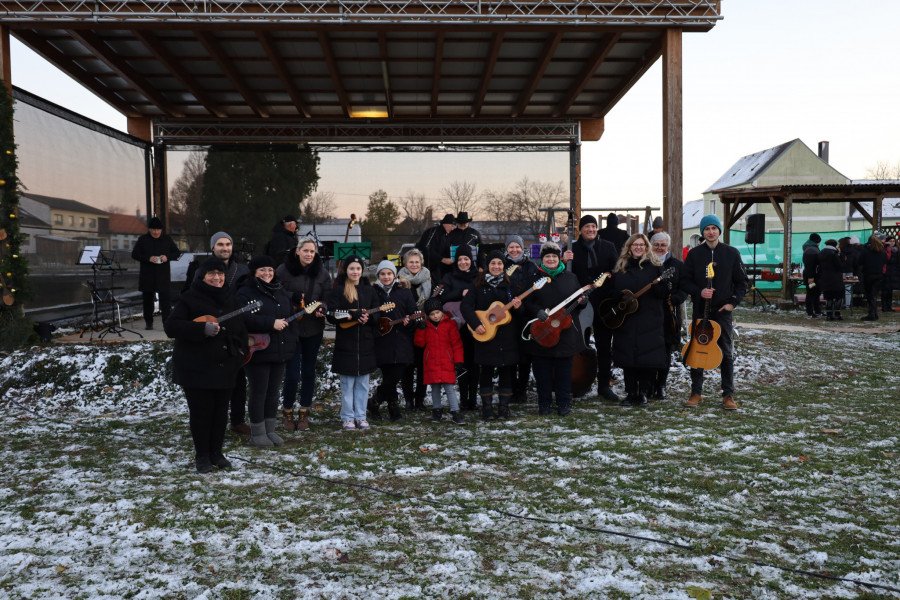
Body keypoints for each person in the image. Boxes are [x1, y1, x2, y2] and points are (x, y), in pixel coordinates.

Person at [164, 258, 248, 473]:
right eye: (212, 274)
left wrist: (240, 354)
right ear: (202, 277)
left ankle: (216, 453)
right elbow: (171, 326)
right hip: (196, 368)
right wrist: (200, 330)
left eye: (220, 273)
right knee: (201, 413)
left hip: (225, 366)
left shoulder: (231, 299)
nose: (217, 278)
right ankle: (202, 456)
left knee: (220, 413)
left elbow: (240, 329)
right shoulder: (189, 298)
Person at [680, 214, 747, 411]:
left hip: (722, 311)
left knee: (725, 351)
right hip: (701, 310)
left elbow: (742, 282)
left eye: (714, 228)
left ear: (719, 231)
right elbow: (684, 281)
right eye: (707, 229)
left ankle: (728, 395)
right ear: (703, 232)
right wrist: (698, 291)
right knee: (697, 349)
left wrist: (732, 303)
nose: (711, 232)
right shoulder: (694, 255)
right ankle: (696, 392)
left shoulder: (731, 253)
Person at [236, 255, 298, 447]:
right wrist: (270, 323)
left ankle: (270, 430)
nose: (267, 273)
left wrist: (290, 341)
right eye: (262, 270)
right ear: (254, 272)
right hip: (258, 350)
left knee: (273, 392)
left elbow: (289, 318)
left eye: (270, 270)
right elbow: (243, 318)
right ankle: (257, 433)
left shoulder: (280, 290)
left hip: (279, 349)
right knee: (259, 392)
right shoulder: (245, 292)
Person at [524, 242, 590, 416]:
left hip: (565, 332)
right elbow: (527, 302)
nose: (551, 259)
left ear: (559, 258)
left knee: (564, 371)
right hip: (542, 332)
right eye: (547, 256)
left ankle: (563, 403)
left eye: (554, 256)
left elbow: (578, 303)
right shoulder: (534, 278)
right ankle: (544, 403)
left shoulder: (571, 278)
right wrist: (537, 311)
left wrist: (583, 302)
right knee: (542, 371)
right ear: (542, 259)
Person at [276, 237, 331, 432]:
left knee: (309, 372)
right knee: (292, 374)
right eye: (305, 250)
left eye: (312, 251)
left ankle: (304, 412)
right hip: (291, 329)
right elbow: (275, 294)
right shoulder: (283, 270)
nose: (309, 254)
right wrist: (291, 300)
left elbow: (328, 298)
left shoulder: (323, 273)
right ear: (297, 251)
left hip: (313, 329)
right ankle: (287, 410)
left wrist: (323, 308)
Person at [563, 214, 619, 402]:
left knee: (604, 347)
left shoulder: (608, 247)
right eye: (587, 226)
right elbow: (562, 274)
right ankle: (581, 383)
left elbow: (616, 270)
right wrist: (563, 260)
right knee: (580, 345)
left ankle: (604, 386)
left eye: (593, 226)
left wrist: (611, 276)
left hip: (603, 304)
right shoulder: (571, 249)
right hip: (580, 305)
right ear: (580, 230)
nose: (591, 230)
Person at [461, 250, 523, 420]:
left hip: (507, 337)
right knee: (486, 371)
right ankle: (487, 408)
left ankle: (504, 408)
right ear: (488, 266)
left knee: (506, 371)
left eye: (499, 263)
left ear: (504, 266)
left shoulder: (511, 285)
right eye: (493, 263)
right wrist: (476, 324)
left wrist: (519, 307)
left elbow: (521, 312)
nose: (496, 266)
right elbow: (466, 307)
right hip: (485, 335)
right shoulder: (478, 285)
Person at [609, 234, 668, 407]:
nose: (638, 247)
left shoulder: (655, 267)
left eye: (642, 245)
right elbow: (613, 292)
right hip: (627, 319)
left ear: (646, 247)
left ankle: (643, 393)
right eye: (635, 244)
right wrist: (619, 298)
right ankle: (631, 393)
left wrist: (660, 287)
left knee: (646, 358)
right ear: (629, 247)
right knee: (628, 358)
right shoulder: (621, 267)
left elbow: (664, 293)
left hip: (649, 318)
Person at [326, 255, 379, 431]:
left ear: (362, 270)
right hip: (346, 344)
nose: (355, 272)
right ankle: (348, 417)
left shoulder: (369, 290)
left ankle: (361, 416)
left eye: (358, 268)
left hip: (365, 343)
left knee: (363, 384)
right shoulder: (338, 290)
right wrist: (351, 315)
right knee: (347, 384)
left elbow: (377, 314)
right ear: (346, 270)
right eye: (352, 268)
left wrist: (369, 319)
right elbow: (332, 315)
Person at [370, 259, 417, 422]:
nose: (386, 277)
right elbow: (370, 315)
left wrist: (410, 321)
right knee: (388, 374)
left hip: (401, 339)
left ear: (394, 275)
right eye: (382, 274)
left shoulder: (404, 292)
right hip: (382, 340)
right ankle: (393, 409)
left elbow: (413, 312)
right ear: (378, 275)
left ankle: (374, 401)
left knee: (396, 375)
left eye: (389, 273)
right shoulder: (373, 292)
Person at [440, 244, 479, 409]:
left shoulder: (479, 277)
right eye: (460, 259)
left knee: (475, 363)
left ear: (471, 260)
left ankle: (473, 398)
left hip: (476, 325)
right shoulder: (449, 277)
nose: (463, 262)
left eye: (466, 259)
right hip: (457, 328)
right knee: (461, 362)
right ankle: (463, 398)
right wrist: (459, 293)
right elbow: (440, 298)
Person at [414, 297, 465, 424]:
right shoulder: (426, 326)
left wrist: (458, 360)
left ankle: (455, 412)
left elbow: (457, 344)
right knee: (435, 388)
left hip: (447, 362)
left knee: (449, 388)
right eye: (432, 314)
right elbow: (419, 343)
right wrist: (420, 330)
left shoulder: (450, 324)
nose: (435, 316)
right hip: (431, 362)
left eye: (437, 312)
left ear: (442, 311)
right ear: (428, 315)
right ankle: (437, 411)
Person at [649, 231, 687, 399]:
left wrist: (677, 298)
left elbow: (684, 287)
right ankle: (649, 384)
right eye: (656, 245)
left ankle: (661, 385)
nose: (659, 248)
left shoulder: (678, 265)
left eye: (663, 245)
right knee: (650, 349)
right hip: (649, 312)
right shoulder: (646, 263)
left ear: (668, 246)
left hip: (669, 313)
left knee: (665, 350)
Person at [504, 234, 540, 403]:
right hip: (507, 317)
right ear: (506, 249)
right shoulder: (502, 265)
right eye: (511, 247)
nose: (514, 250)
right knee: (510, 354)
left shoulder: (531, 266)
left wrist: (524, 306)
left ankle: (522, 390)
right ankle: (511, 389)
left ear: (522, 248)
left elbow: (535, 290)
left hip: (526, 315)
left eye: (517, 247)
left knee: (525, 355)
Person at [396, 248, 432, 411]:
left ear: (422, 263)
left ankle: (420, 400)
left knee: (423, 366)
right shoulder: (400, 282)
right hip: (406, 329)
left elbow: (433, 303)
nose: (414, 264)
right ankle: (409, 400)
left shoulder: (428, 278)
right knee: (408, 366)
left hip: (424, 328)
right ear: (405, 264)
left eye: (417, 262)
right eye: (411, 262)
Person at [131, 216, 181, 330]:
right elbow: (134, 254)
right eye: (153, 229)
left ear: (161, 230)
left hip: (162, 275)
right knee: (147, 300)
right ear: (149, 229)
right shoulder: (143, 239)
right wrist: (148, 258)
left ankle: (167, 323)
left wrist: (167, 257)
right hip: (147, 275)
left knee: (165, 301)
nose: (156, 232)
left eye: (158, 230)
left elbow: (177, 253)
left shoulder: (167, 239)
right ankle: (149, 322)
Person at [440, 211, 483, 277]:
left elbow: (481, 250)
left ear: (468, 222)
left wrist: (481, 265)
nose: (462, 224)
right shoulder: (451, 234)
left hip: (472, 266)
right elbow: (445, 249)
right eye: (460, 223)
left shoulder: (475, 233)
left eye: (464, 222)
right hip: (454, 266)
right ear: (457, 223)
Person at [416, 213, 455, 282]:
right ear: (445, 224)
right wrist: (442, 259)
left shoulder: (447, 236)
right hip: (429, 269)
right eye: (452, 226)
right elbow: (427, 250)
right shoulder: (433, 232)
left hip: (441, 270)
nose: (452, 229)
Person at [858, 233, 887, 321]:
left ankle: (872, 314)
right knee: (874, 294)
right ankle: (874, 313)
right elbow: (885, 261)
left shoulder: (865, 251)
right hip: (879, 275)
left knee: (869, 295)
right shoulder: (882, 251)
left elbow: (860, 261)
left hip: (868, 274)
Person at [818, 239, 846, 321]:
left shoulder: (821, 253)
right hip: (836, 278)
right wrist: (840, 255)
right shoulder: (834, 254)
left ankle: (829, 315)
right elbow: (840, 266)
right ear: (835, 245)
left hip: (825, 278)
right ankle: (837, 314)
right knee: (838, 296)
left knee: (828, 297)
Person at [802, 233, 823, 318]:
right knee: (811, 293)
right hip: (812, 277)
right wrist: (811, 277)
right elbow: (810, 265)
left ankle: (817, 311)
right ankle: (810, 312)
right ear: (817, 241)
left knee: (816, 293)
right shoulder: (812, 250)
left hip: (813, 276)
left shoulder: (810, 248)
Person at [881, 235, 898, 313]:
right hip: (886, 272)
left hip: (894, 272)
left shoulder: (897, 250)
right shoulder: (885, 249)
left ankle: (889, 306)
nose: (892, 242)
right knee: (885, 290)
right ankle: (884, 306)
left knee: (890, 290)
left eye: (893, 241)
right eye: (890, 241)